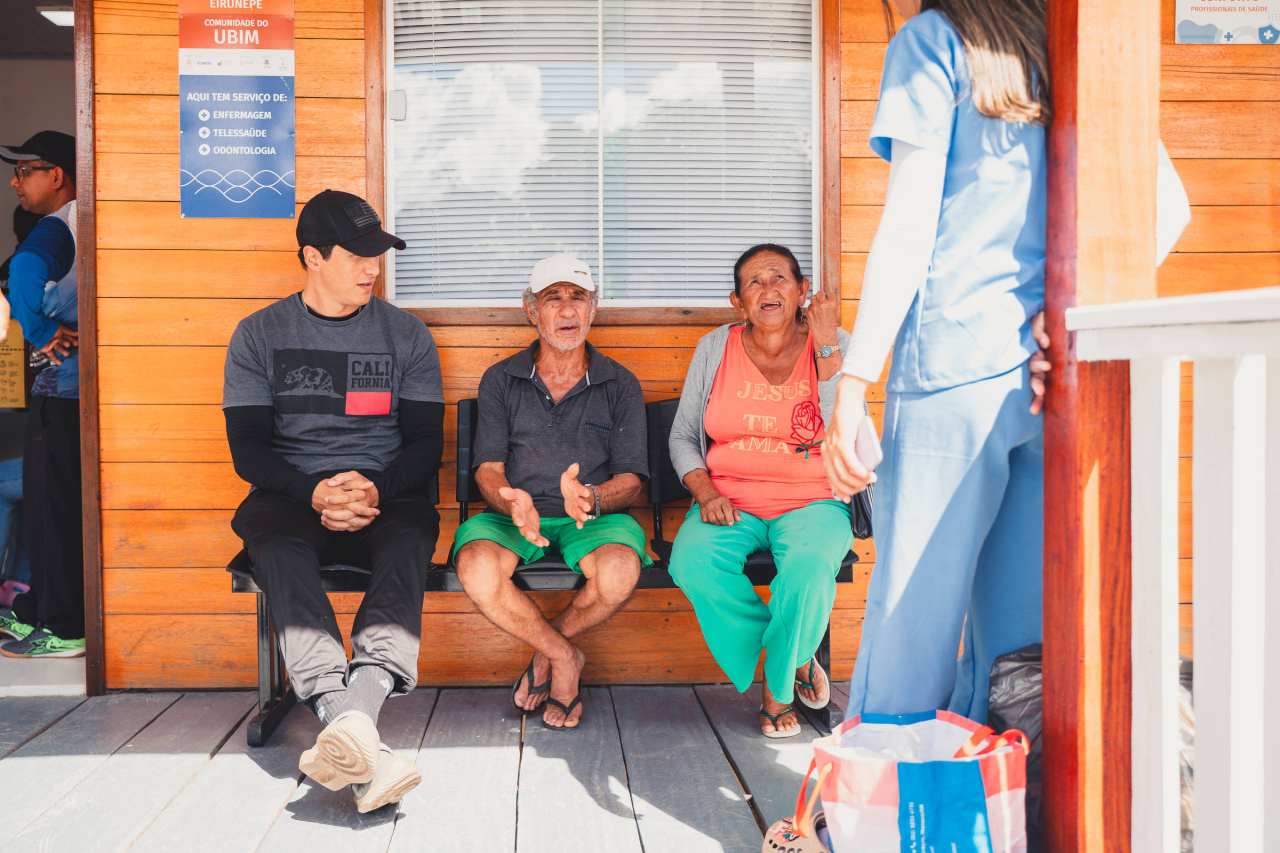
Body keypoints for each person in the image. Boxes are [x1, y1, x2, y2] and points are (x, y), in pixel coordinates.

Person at [222, 190, 444, 813]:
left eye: (379, 253)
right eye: (358, 254)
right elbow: (249, 451)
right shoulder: (258, 335)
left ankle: (353, 716)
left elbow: (428, 443)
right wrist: (314, 490)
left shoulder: (406, 334)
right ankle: (345, 714)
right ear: (312, 257)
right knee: (280, 545)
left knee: (409, 540)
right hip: (291, 493)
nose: (374, 266)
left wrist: (377, 487)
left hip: (385, 493)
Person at [453, 254, 650, 731]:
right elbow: (488, 469)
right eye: (553, 298)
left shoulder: (619, 383)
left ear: (593, 309)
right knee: (476, 568)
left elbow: (633, 480)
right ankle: (565, 656)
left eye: (577, 297)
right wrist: (509, 499)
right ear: (531, 310)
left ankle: (547, 656)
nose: (567, 310)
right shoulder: (501, 379)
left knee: (621, 571)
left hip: (594, 516)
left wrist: (593, 498)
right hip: (513, 514)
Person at [667, 244, 851, 738]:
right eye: (753, 282)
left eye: (779, 278)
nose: (767, 289)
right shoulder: (714, 348)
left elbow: (845, 430)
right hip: (729, 499)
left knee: (809, 571)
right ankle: (791, 656)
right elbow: (683, 435)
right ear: (737, 301)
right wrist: (705, 492)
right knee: (691, 563)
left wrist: (827, 341)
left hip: (815, 498)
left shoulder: (834, 342)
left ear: (802, 291)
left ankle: (777, 694)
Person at [0, 131, 84, 659]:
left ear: (55, 175)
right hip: (74, 393)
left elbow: (24, 273)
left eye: (24, 170)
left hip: (62, 393)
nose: (15, 181)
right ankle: (44, 608)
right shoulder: (84, 223)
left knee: (52, 511)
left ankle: (65, 626)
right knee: (57, 508)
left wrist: (35, 331)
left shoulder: (54, 228)